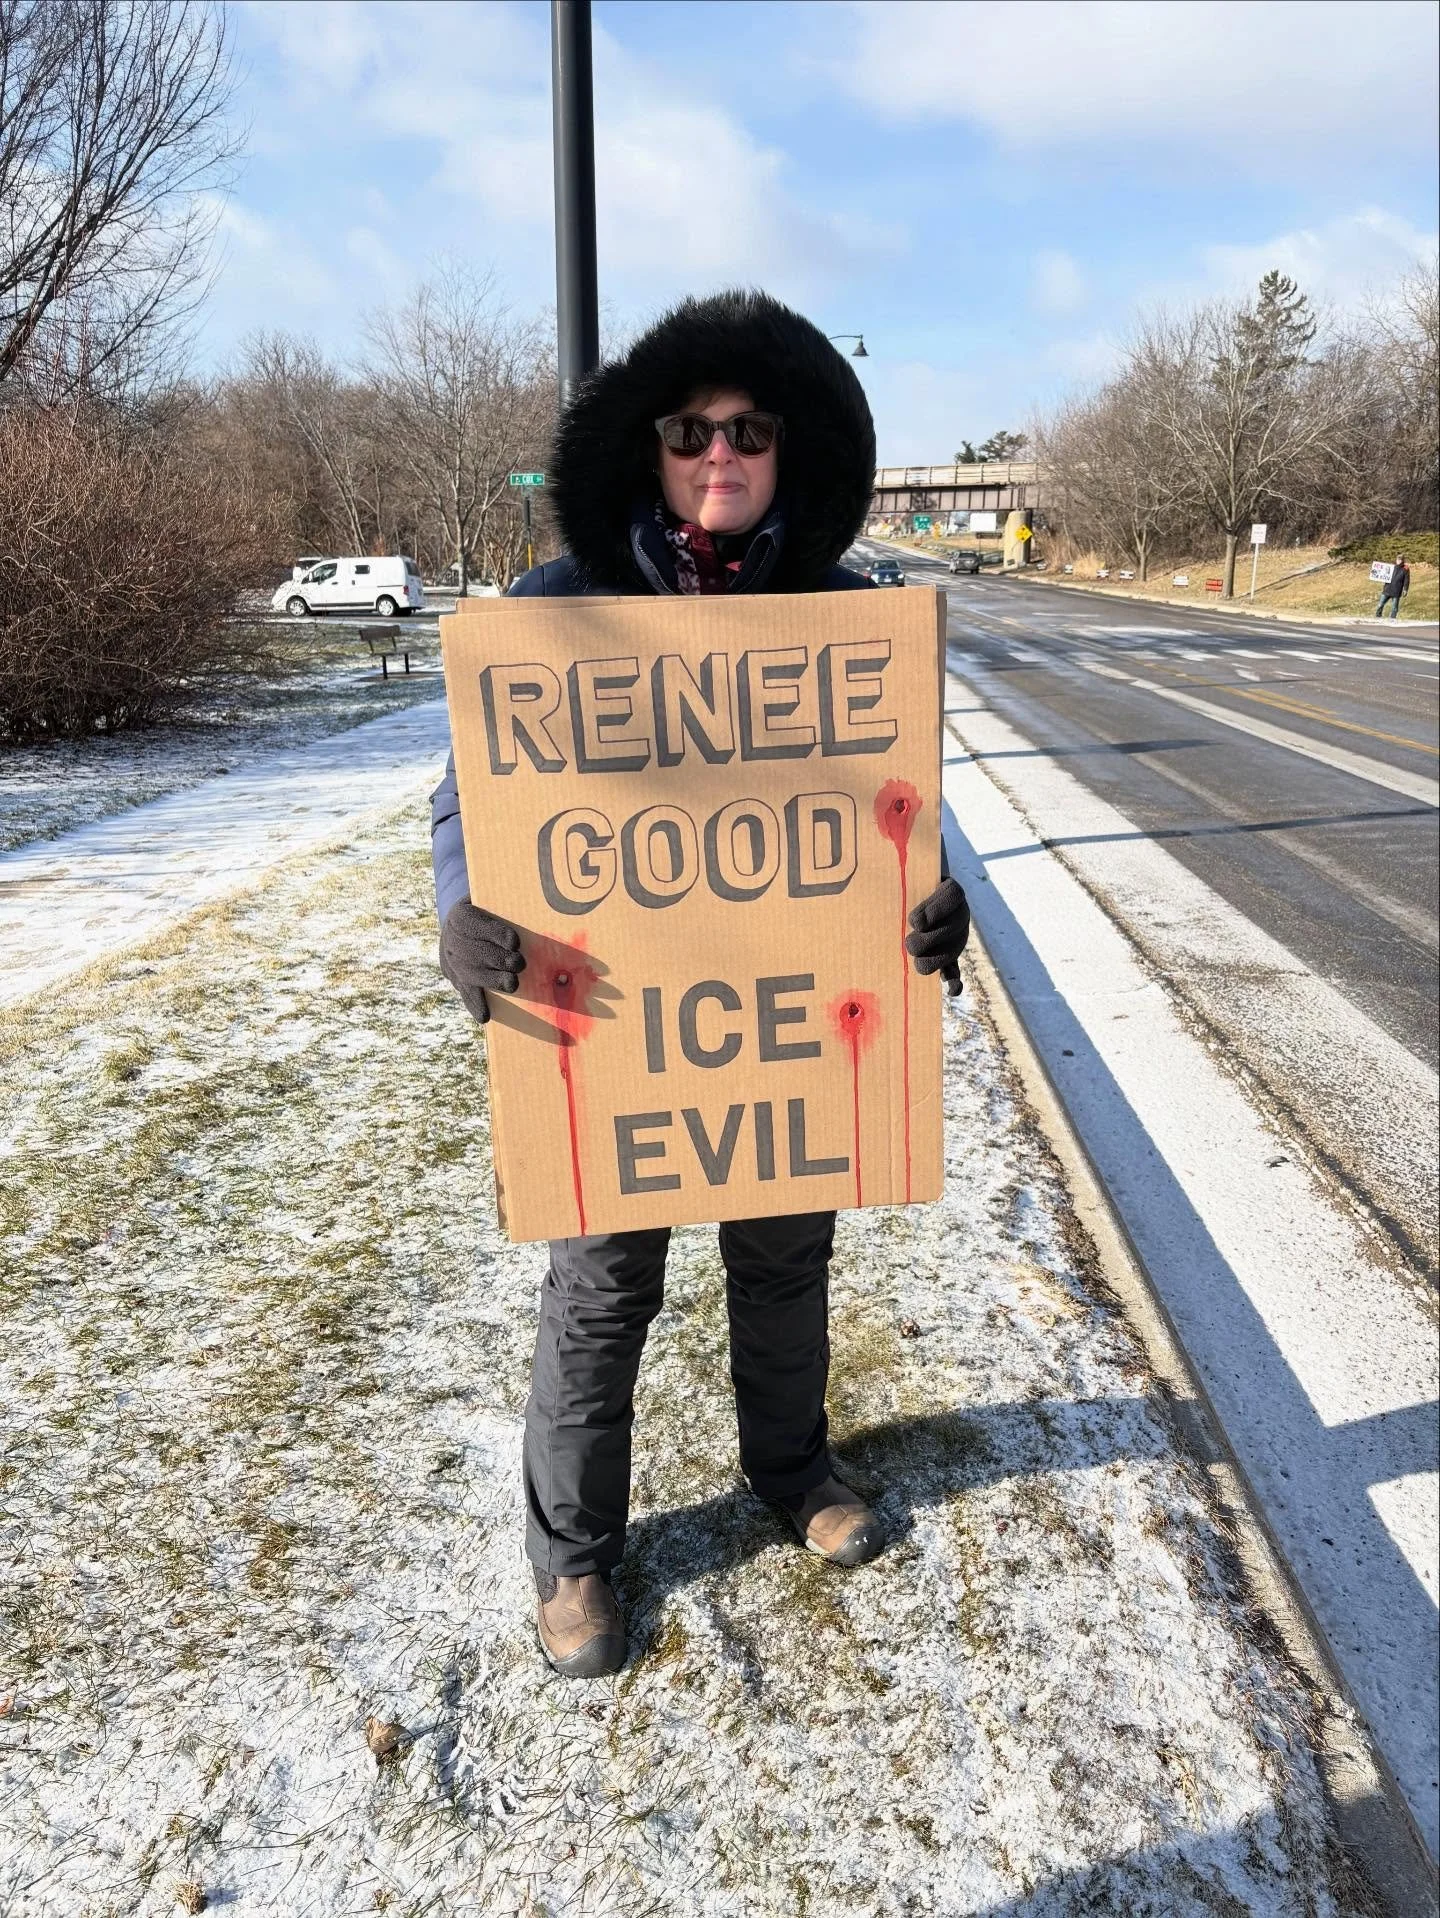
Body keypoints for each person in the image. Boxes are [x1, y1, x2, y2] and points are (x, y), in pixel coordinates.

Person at [429, 290, 971, 1678]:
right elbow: (467, 803)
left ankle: (792, 1471)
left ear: (785, 450)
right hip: (617, 1017)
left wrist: (928, 920)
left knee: (786, 1253)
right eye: (690, 431)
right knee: (604, 1279)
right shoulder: (556, 615)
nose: (719, 452)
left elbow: (897, 814)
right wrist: (458, 915)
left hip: (785, 1016)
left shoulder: (848, 623)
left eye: (748, 429)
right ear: (650, 450)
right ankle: (575, 1558)